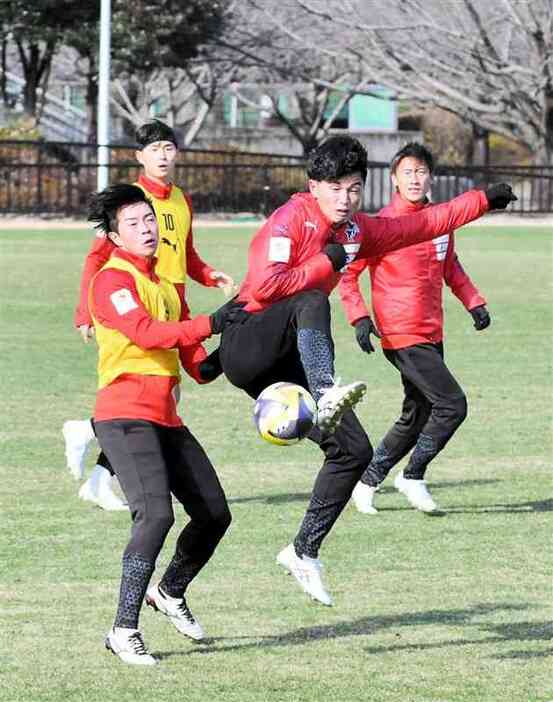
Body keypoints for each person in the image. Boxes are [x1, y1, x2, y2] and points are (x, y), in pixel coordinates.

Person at [218, 135, 515, 607]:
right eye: (334, 187)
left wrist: (481, 201)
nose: (345, 198)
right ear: (313, 186)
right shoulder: (289, 219)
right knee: (313, 296)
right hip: (249, 345)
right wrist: (326, 262)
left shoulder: (356, 230)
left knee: (353, 451)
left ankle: (302, 551)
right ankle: (325, 387)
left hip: (289, 357)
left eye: (354, 188)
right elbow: (269, 287)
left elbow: (421, 225)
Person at [85, 183, 244, 665]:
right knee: (155, 516)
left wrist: (243, 341)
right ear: (114, 236)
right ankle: (122, 629)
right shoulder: (111, 281)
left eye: (149, 219)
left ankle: (170, 591)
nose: (147, 229)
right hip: (123, 416)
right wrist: (212, 324)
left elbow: (197, 364)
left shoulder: (165, 286)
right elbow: (147, 334)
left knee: (215, 513)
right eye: (133, 223)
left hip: (165, 417)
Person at [63, 119, 234, 510]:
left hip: (173, 301)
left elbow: (185, 253)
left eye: (168, 148)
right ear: (139, 157)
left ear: (177, 154)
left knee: (169, 391)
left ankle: (99, 474)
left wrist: (208, 275)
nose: (162, 155)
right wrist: (83, 312)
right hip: (139, 301)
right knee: (155, 391)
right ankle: (93, 446)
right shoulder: (128, 202)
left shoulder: (181, 200)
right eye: (154, 149)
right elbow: (97, 258)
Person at [342, 142, 491, 515]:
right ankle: (412, 476)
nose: (414, 178)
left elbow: (450, 266)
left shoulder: (440, 220)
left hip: (431, 330)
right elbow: (348, 275)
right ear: (393, 178)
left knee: (417, 413)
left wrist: (474, 301)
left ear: (431, 177)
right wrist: (359, 317)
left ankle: (368, 481)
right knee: (452, 405)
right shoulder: (383, 225)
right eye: (407, 172)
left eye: (421, 171)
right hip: (400, 332)